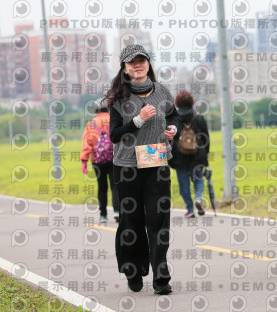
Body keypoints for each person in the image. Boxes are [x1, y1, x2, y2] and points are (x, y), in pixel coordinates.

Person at [106, 44, 178, 295]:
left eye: (142, 60)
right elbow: (114, 135)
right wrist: (138, 120)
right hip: (127, 167)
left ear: (148, 64)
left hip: (156, 162)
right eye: (132, 62)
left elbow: (174, 115)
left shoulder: (162, 91)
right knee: (132, 222)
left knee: (159, 221)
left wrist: (173, 129)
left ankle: (161, 278)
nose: (137, 65)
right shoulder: (119, 98)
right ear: (125, 68)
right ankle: (133, 270)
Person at [169, 90, 210, 218]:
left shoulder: (174, 118)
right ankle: (198, 198)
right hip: (197, 154)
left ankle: (190, 209)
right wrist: (206, 152)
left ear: (177, 102)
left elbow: (170, 137)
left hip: (179, 156)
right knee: (198, 179)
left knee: (183, 184)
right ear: (191, 101)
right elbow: (206, 137)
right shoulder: (199, 117)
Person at [81, 99, 119, 223]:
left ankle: (103, 215)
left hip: (97, 160)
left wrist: (84, 161)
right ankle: (117, 211)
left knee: (102, 187)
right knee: (115, 186)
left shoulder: (91, 124)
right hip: (114, 158)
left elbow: (86, 143)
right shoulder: (113, 120)